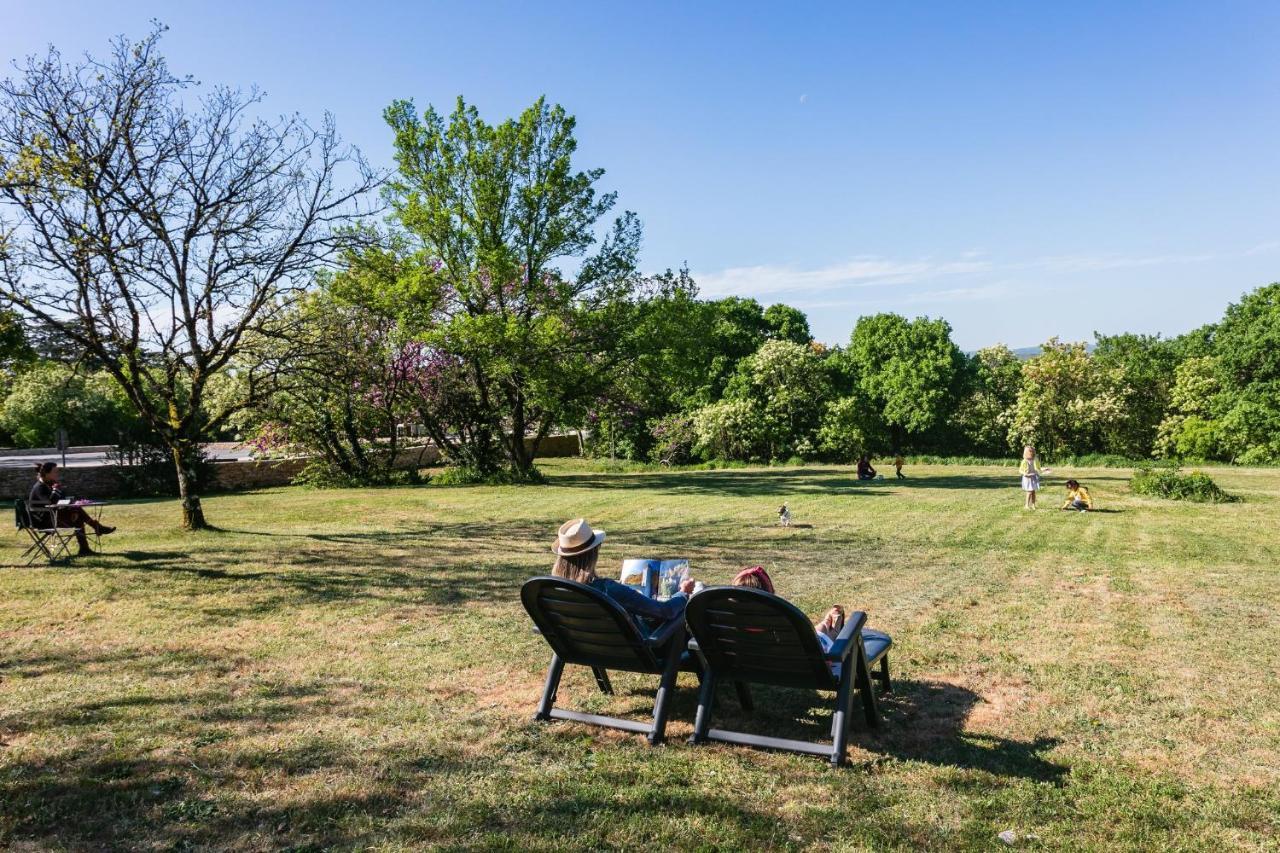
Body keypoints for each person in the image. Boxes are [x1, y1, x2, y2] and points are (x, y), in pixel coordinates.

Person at [550, 518, 696, 629]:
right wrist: (683, 593)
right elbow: (665, 611)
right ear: (593, 553)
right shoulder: (608, 589)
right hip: (641, 651)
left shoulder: (554, 591)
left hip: (580, 648)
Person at [28, 462, 115, 555]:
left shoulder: (50, 484)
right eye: (55, 472)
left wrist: (72, 509)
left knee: (78, 516)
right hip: (43, 522)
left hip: (53, 517)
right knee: (78, 515)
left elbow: (62, 500)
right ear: (47, 473)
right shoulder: (39, 487)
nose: (57, 474)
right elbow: (50, 504)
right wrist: (56, 490)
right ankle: (96, 528)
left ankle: (84, 549)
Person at [1018, 445, 1050, 510]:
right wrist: (1025, 474)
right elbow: (1020, 470)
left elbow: (1038, 469)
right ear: (1026, 453)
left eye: (1032, 452)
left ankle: (1033, 505)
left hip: (1033, 478)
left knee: (1033, 492)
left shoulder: (1035, 460)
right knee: (1029, 491)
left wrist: (1044, 469)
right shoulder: (1024, 461)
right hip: (1027, 478)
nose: (1032, 453)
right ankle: (1026, 505)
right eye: (1030, 452)